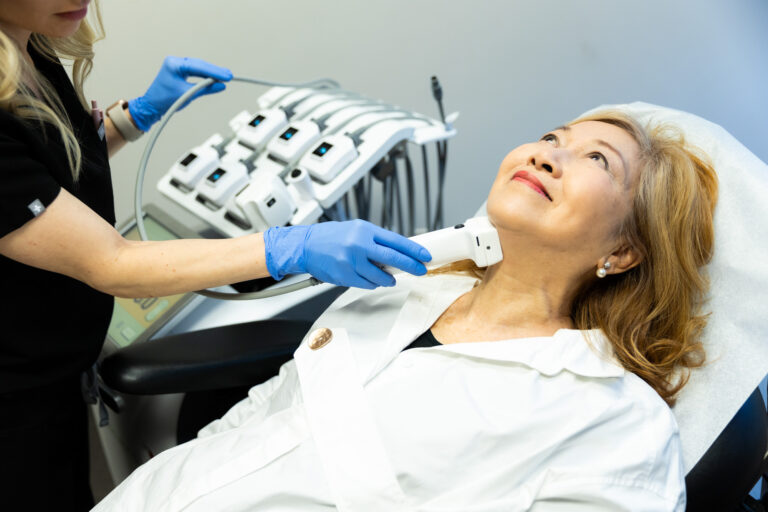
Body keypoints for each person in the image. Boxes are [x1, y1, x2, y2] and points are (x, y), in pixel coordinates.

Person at [91, 110, 718, 511]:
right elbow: (264, 415)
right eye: (553, 136)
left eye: (597, 159)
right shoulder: (400, 290)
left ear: (625, 249)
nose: (545, 153)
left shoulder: (613, 421)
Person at [0, 1, 431, 510]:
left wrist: (135, 116)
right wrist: (288, 247)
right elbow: (110, 262)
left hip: (49, 372)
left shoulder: (28, 48)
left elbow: (55, 171)